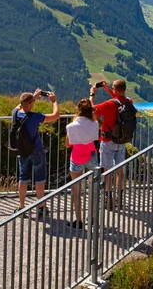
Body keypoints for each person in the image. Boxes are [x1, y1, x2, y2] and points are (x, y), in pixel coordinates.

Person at [13, 89, 60, 213]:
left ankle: (21, 207)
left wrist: (32, 98)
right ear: (30, 104)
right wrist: (54, 101)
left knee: (23, 178)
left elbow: (20, 106)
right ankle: (41, 207)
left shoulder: (15, 113)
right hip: (36, 151)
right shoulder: (35, 117)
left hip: (22, 151)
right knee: (39, 179)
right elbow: (56, 116)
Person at [89, 79, 133, 208]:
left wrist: (92, 95)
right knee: (120, 171)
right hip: (122, 140)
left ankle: (108, 200)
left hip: (108, 141)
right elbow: (118, 98)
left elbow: (92, 110)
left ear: (116, 90)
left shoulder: (109, 104)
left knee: (107, 172)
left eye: (113, 89)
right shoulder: (128, 102)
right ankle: (120, 199)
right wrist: (108, 89)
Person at [65, 98, 99, 230]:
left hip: (77, 157)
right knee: (93, 188)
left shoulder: (71, 126)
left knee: (77, 191)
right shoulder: (94, 123)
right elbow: (95, 136)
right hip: (91, 155)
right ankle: (92, 218)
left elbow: (68, 144)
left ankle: (78, 221)